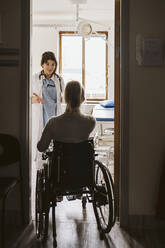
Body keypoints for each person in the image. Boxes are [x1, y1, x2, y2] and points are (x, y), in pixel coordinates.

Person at [37, 81, 96, 152]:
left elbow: (41, 147)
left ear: (64, 98)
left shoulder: (52, 123)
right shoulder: (90, 121)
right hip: (80, 162)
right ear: (83, 99)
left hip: (60, 162)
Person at [32, 51, 64, 167]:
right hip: (41, 116)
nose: (50, 67)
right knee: (41, 145)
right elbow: (27, 98)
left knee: (55, 147)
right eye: (47, 64)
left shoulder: (59, 79)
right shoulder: (35, 78)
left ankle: (54, 169)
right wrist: (34, 100)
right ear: (42, 64)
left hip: (55, 116)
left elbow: (62, 99)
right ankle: (40, 169)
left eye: (53, 64)